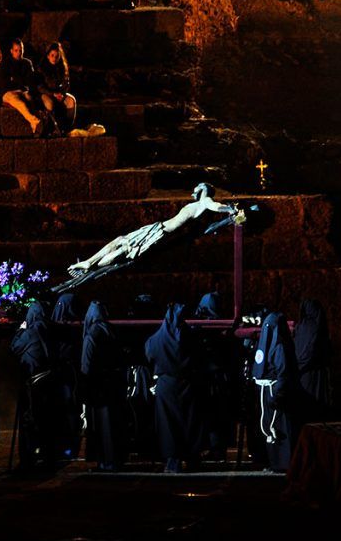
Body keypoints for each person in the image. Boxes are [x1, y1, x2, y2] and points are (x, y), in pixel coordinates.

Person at [59, 183, 239, 289]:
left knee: (123, 249)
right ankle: (89, 263)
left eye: (198, 186)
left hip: (160, 233)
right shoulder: (199, 204)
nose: (195, 189)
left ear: (203, 189)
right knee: (121, 241)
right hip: (157, 229)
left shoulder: (205, 202)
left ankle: (90, 264)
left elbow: (217, 207)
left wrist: (230, 209)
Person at [146, 303, 205, 473]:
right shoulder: (190, 336)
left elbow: (149, 353)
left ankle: (173, 460)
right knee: (190, 421)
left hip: (167, 385)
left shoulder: (157, 339)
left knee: (168, 423)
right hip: (188, 384)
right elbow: (200, 356)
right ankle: (193, 458)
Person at [10, 301, 59, 469]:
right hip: (49, 378)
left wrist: (20, 330)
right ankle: (49, 455)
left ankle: (31, 456)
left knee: (32, 419)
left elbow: (15, 348)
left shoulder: (30, 332)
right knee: (48, 419)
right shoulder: (49, 329)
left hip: (35, 380)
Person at [80, 300, 127, 471]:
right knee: (114, 423)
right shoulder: (112, 331)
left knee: (102, 425)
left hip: (98, 386)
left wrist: (85, 386)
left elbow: (87, 363)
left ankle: (106, 462)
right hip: (114, 384)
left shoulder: (93, 333)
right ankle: (116, 459)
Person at [252, 311, 301, 472]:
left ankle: (284, 464)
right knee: (270, 429)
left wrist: (278, 393)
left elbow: (283, 372)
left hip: (275, 391)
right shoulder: (270, 344)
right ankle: (274, 462)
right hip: (267, 391)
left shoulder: (280, 347)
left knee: (280, 429)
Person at [194, 291, 234, 461]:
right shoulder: (223, 325)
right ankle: (218, 449)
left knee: (209, 414)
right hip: (221, 377)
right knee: (218, 414)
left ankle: (213, 448)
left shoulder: (201, 326)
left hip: (208, 376)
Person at [51, 293, 84, 459]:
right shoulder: (74, 326)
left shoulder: (65, 327)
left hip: (66, 374)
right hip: (66, 373)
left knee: (68, 409)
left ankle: (67, 447)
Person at [294, 299, 332, 421]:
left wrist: (298, 366)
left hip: (304, 372)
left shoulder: (301, 327)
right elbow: (314, 350)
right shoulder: (317, 327)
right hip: (314, 372)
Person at [0, 39, 42, 134]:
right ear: (11, 51)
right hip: (8, 92)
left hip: (23, 90)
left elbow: (30, 80)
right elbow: (4, 81)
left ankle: (35, 126)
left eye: (20, 50)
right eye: (16, 50)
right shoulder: (5, 63)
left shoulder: (27, 63)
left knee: (31, 99)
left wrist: (15, 79)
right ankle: (34, 121)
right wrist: (19, 81)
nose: (19, 53)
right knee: (19, 102)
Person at [38, 42, 76, 132]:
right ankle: (51, 128)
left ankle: (67, 128)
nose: (54, 58)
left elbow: (66, 83)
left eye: (57, 56)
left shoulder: (62, 67)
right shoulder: (41, 68)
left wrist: (62, 93)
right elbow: (40, 86)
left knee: (71, 100)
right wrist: (52, 94)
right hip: (46, 93)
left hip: (59, 93)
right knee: (49, 103)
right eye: (52, 55)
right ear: (48, 56)